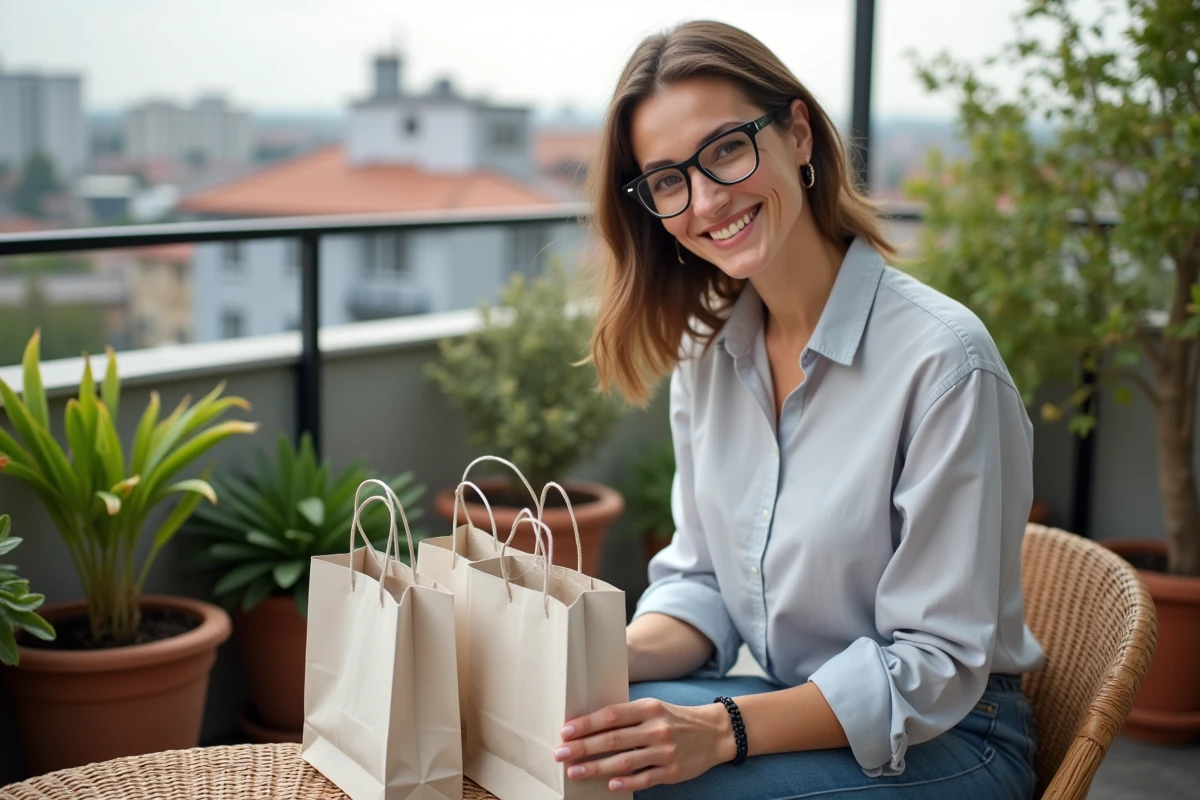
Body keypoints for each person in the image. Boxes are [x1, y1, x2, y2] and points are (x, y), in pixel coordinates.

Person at [552, 19, 1046, 800]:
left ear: (799, 133)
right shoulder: (706, 357)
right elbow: (704, 583)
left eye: (725, 149)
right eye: (669, 180)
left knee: (623, 788)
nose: (707, 199)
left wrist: (720, 732)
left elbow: (936, 663)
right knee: (564, 738)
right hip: (785, 709)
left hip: (950, 741)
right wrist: (589, 655)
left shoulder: (945, 362)